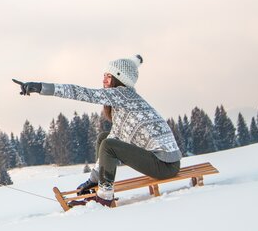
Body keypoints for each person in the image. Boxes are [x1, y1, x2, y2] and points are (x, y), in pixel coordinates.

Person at [12, 54, 181, 206]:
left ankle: (104, 197)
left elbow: (81, 93)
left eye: (110, 76)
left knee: (108, 144)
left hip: (165, 165)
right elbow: (115, 137)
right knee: (104, 138)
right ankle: (101, 185)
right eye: (104, 75)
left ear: (120, 80)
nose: (105, 80)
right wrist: (92, 179)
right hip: (166, 162)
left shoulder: (121, 95)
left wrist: (41, 87)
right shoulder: (126, 100)